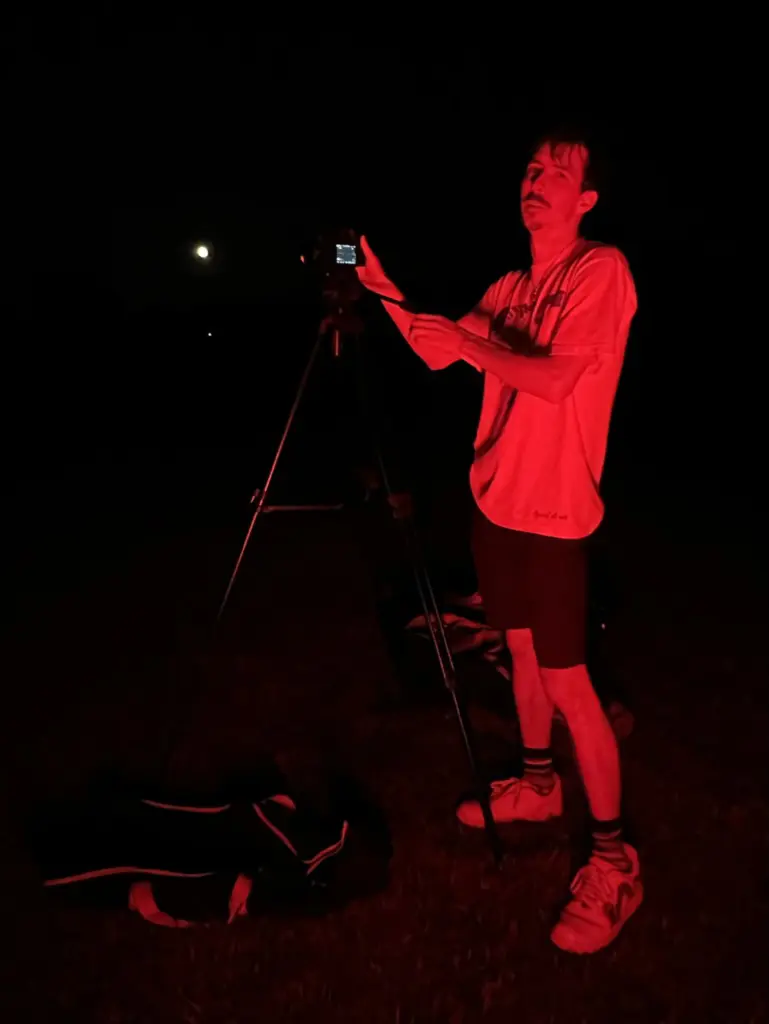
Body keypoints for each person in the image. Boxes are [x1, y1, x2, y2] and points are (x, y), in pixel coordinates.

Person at [356, 131, 641, 954]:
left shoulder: (599, 271)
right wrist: (380, 288)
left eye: (556, 173)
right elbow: (437, 352)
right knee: (517, 653)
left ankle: (613, 860)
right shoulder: (508, 287)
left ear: (585, 199)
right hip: (497, 502)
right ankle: (537, 785)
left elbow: (554, 380)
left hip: (554, 513)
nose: (536, 181)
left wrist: (470, 345)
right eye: (530, 169)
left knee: (567, 681)